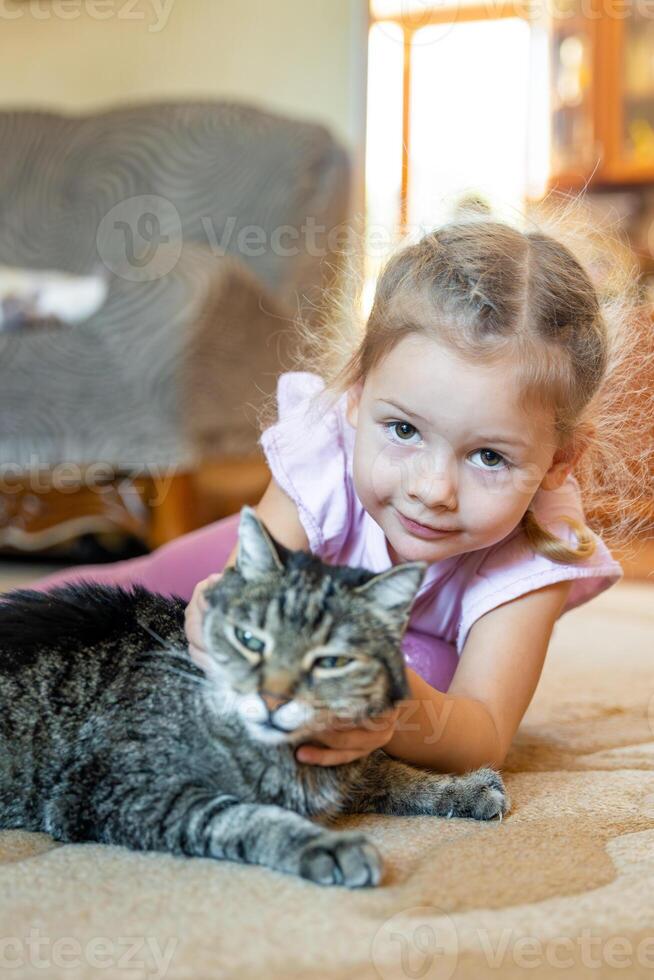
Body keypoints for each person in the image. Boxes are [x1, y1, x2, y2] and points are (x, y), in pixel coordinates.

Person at [27, 213, 650, 774]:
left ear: (558, 461)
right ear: (354, 396)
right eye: (403, 430)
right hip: (280, 573)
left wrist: (385, 712)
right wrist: (216, 610)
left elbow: (482, 734)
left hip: (394, 642)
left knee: (411, 668)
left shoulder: (536, 553)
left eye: (488, 456)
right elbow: (242, 597)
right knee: (103, 598)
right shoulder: (327, 454)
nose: (433, 491)